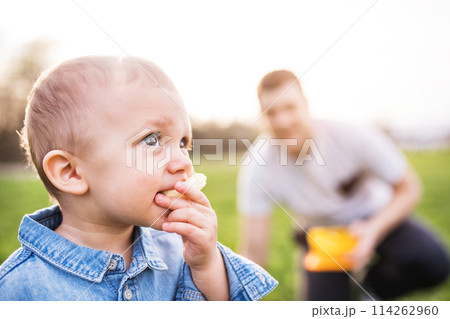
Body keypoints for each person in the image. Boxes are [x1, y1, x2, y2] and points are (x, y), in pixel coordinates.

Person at [0, 56, 277, 301]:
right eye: (153, 139)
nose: (183, 162)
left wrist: (207, 267)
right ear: (70, 172)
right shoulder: (19, 290)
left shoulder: (181, 252)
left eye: (183, 143)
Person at [237, 70, 449, 300]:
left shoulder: (353, 136)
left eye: (290, 108)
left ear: (306, 105)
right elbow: (254, 252)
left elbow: (409, 188)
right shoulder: (257, 165)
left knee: (434, 263)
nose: (282, 121)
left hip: (376, 217)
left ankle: (370, 292)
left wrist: (373, 230)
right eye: (271, 112)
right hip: (321, 236)